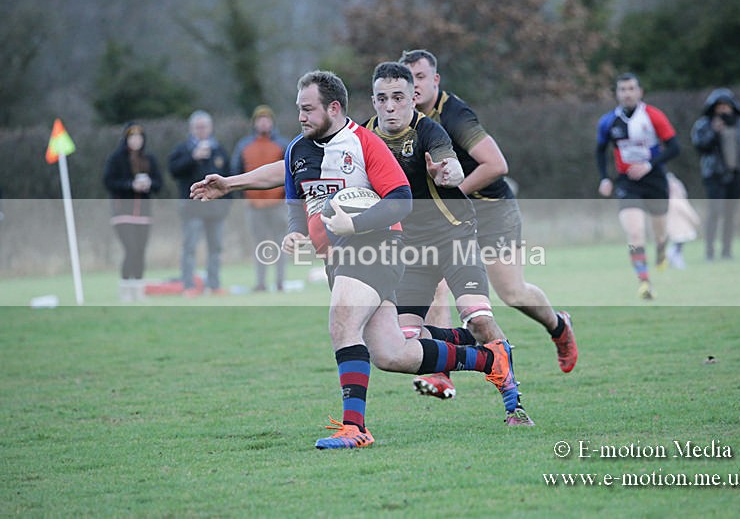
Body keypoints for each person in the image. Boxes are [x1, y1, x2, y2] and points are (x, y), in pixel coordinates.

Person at [189, 70, 532, 449]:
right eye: (298, 109)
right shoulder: (297, 151)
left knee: (342, 321)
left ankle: (356, 428)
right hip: (338, 257)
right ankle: (488, 360)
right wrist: (292, 230)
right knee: (390, 352)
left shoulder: (364, 141)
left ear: (333, 108)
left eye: (308, 109)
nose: (300, 117)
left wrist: (356, 223)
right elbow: (294, 197)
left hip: (379, 247)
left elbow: (400, 198)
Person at [399, 49, 576, 399]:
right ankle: (440, 371)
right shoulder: (402, 121)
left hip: (491, 211)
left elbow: (496, 164)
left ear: (435, 80)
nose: (414, 85)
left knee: (512, 292)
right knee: (435, 287)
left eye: (420, 77)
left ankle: (558, 325)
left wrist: (449, 196)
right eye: (409, 79)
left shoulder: (455, 114)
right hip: (447, 223)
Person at [364, 61, 534, 425]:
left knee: (478, 316)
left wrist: (447, 173)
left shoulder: (430, 130)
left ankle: (514, 404)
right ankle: (477, 350)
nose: (390, 106)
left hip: (453, 236)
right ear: (373, 101)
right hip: (410, 250)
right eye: (382, 98)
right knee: (403, 342)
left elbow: (451, 164)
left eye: (398, 97)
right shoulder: (363, 136)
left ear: (413, 97)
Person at [596, 73, 680, 300]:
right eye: (623, 89)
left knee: (660, 233)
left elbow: (675, 147)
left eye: (631, 88)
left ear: (640, 92)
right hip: (627, 183)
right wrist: (605, 178)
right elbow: (600, 151)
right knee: (635, 233)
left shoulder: (653, 116)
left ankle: (662, 251)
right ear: (617, 94)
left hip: (655, 180)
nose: (627, 93)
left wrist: (648, 165)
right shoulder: (608, 122)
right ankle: (644, 280)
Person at [168, 110, 232, 297]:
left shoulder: (219, 150)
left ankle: (214, 285)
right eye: (198, 127)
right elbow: (173, 171)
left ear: (210, 128)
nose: (201, 130)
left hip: (215, 209)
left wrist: (226, 204)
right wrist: (192, 157)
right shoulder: (183, 149)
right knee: (190, 247)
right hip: (192, 208)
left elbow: (229, 177)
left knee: (216, 248)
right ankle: (188, 286)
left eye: (204, 127)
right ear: (192, 129)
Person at [690, 88, 740, 261]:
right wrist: (714, 132)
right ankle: (709, 252)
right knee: (715, 213)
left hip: (736, 175)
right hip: (714, 175)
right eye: (719, 106)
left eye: (726, 106)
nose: (723, 110)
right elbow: (700, 147)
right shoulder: (704, 125)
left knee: (730, 214)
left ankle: (727, 251)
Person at [103, 122, 163, 302]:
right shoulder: (116, 158)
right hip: (123, 212)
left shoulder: (149, 159)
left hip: (144, 214)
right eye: (132, 137)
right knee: (131, 249)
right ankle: (125, 289)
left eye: (139, 137)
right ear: (126, 139)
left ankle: (138, 289)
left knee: (141, 251)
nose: (136, 140)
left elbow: (160, 183)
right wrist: (130, 185)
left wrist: (149, 184)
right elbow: (108, 182)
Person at [231, 105, 287, 291]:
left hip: (278, 204)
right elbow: (236, 173)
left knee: (281, 244)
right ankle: (261, 283)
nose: (264, 122)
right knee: (260, 245)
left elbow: (292, 171)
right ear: (254, 123)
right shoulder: (244, 146)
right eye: (260, 119)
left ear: (272, 122)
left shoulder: (283, 145)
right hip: (254, 206)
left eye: (267, 119)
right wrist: (243, 196)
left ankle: (280, 282)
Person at [665, 172, 701, 269]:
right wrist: (696, 220)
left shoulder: (668, 202)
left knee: (678, 244)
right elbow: (688, 212)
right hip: (682, 228)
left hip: (673, 227)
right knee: (679, 244)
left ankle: (672, 258)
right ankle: (674, 258)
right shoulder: (679, 201)